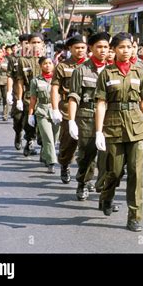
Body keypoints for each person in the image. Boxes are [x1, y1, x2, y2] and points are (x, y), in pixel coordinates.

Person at [94, 32, 143, 232]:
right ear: (114, 50)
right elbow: (101, 103)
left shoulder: (140, 71)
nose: (125, 51)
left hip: (136, 126)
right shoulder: (106, 73)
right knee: (115, 171)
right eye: (121, 47)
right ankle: (106, 196)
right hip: (113, 126)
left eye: (129, 47)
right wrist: (99, 132)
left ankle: (134, 216)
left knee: (136, 174)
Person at [68, 32, 112, 203]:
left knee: (107, 156)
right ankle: (83, 183)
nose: (103, 50)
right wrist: (71, 121)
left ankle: (103, 190)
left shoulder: (112, 70)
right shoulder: (81, 70)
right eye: (99, 47)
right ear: (91, 48)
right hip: (86, 118)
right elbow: (74, 96)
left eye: (106, 47)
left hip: (109, 117)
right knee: (87, 155)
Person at [51, 35, 88, 185]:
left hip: (87, 108)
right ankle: (65, 164)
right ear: (70, 49)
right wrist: (55, 108)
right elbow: (55, 88)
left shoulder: (91, 65)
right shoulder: (62, 66)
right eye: (77, 48)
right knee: (68, 143)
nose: (80, 50)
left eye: (83, 47)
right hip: (67, 108)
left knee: (87, 145)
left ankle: (85, 176)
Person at [13, 32, 45, 156]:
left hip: (44, 96)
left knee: (43, 122)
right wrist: (19, 99)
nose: (36, 45)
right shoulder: (23, 61)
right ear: (29, 44)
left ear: (43, 44)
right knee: (28, 120)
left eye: (38, 42)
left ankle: (44, 147)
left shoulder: (48, 60)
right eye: (33, 43)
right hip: (28, 95)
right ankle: (29, 141)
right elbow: (20, 80)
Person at [28, 56, 60, 174]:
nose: (48, 65)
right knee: (48, 137)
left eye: (50, 63)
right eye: (45, 63)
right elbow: (33, 99)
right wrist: (30, 115)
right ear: (41, 66)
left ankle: (44, 153)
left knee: (55, 138)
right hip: (42, 111)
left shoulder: (58, 80)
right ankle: (51, 162)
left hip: (56, 110)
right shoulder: (35, 81)